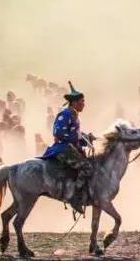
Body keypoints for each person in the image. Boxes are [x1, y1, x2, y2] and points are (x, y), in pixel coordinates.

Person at [41, 81, 94, 214]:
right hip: (62, 148)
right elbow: (58, 132)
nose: (84, 104)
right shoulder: (65, 114)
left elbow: (75, 134)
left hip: (70, 147)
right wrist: (78, 139)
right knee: (86, 167)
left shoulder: (74, 115)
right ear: (74, 102)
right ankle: (75, 198)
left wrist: (86, 137)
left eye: (84, 101)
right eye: (82, 101)